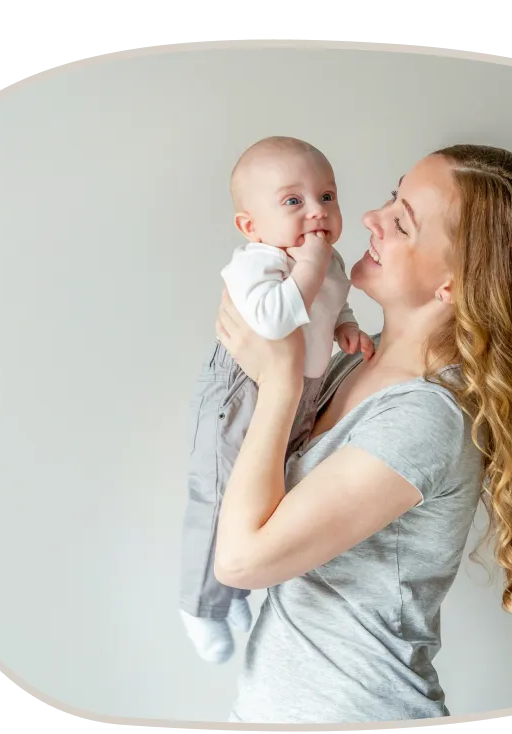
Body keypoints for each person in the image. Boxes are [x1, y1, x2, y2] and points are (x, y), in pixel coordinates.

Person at [211, 144, 512, 724]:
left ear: (452, 286)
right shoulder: (347, 365)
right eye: (392, 197)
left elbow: (242, 561)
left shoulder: (425, 417)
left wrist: (280, 381)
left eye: (402, 221)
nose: (371, 218)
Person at [177, 136, 374, 664]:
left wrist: (347, 328)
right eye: (294, 201)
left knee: (265, 492)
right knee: (220, 492)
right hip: (243, 388)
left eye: (327, 196)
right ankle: (200, 605)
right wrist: (309, 265)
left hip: (297, 390)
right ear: (250, 225)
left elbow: (334, 303)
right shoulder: (259, 262)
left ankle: (229, 592)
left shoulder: (325, 262)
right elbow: (272, 321)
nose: (317, 213)